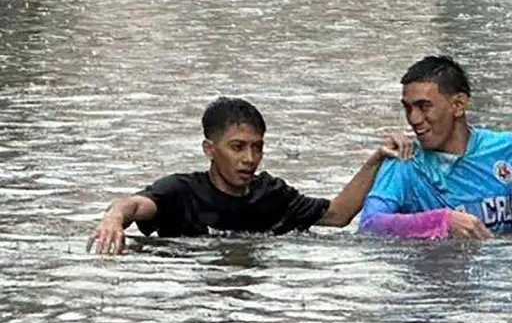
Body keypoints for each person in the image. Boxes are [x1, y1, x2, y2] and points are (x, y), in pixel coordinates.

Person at [88, 96, 407, 254]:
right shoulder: (181, 192)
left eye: (257, 147)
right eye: (237, 147)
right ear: (209, 149)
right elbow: (132, 205)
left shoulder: (271, 193)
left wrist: (377, 159)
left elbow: (338, 216)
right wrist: (113, 219)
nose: (249, 159)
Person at [358, 55, 512, 240]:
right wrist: (442, 221)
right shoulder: (404, 162)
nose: (413, 119)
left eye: (424, 107)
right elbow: (370, 225)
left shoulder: (508, 149)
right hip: (436, 267)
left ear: (458, 105)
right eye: (408, 108)